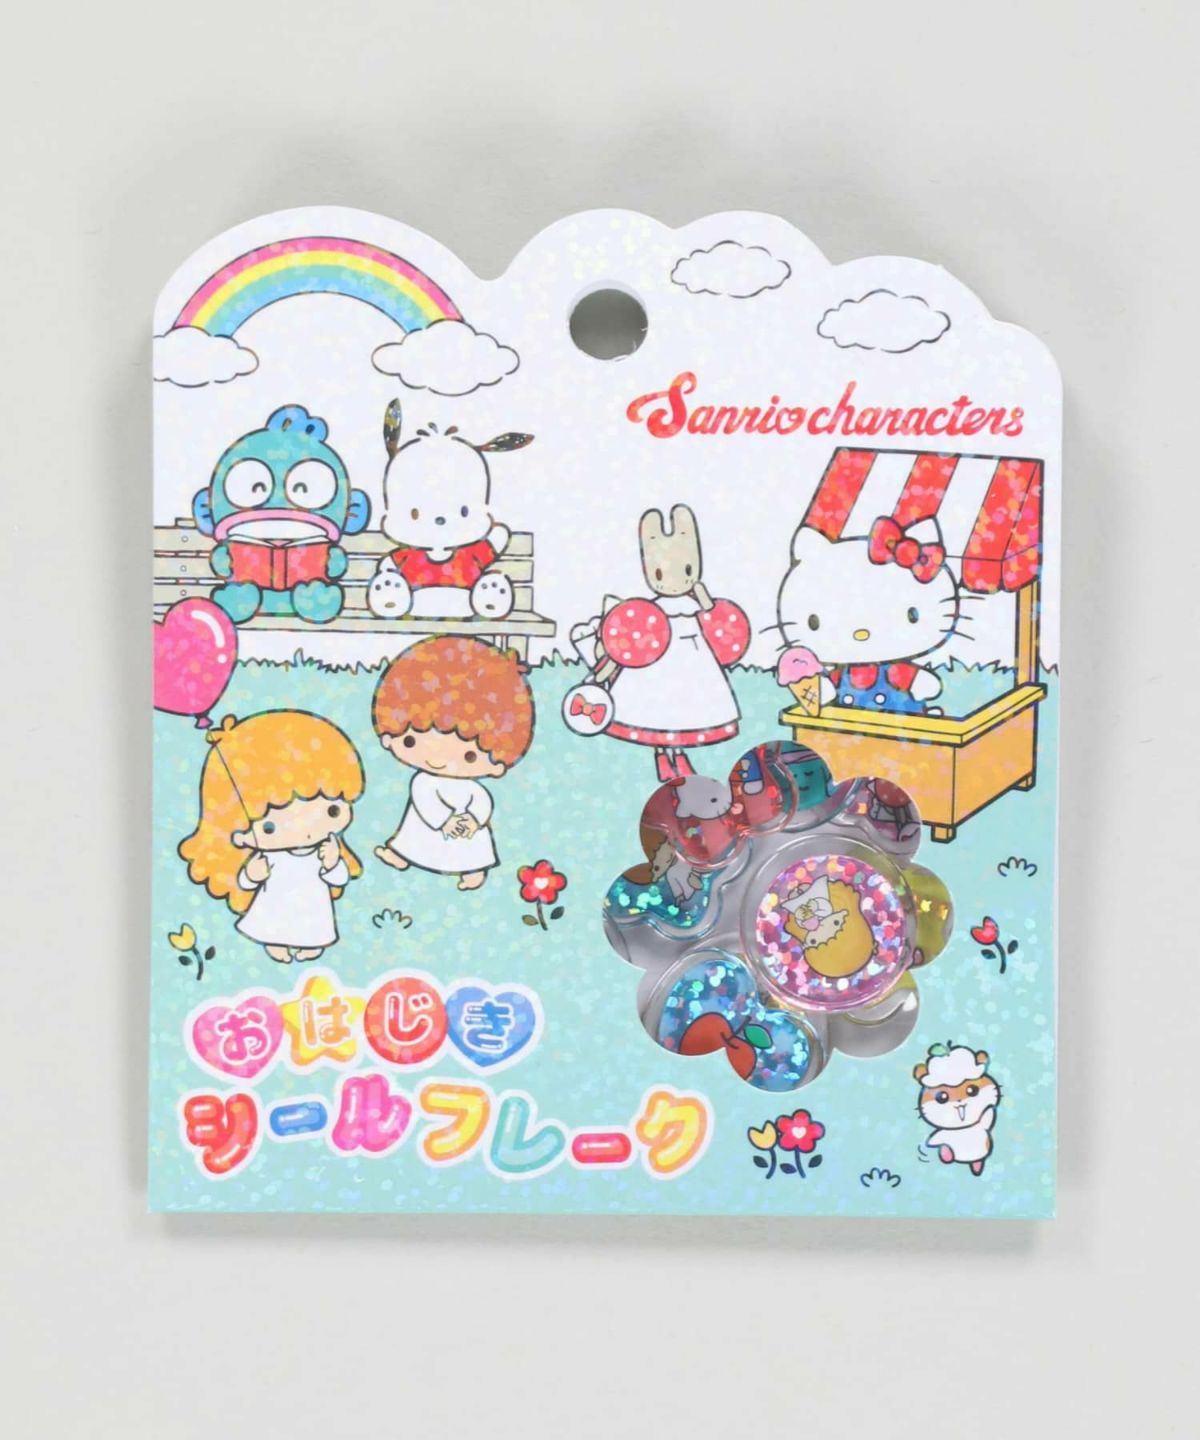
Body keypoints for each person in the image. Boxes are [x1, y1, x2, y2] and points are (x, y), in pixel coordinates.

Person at [372, 637, 534, 890]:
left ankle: (474, 870)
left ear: (498, 763)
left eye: (470, 755)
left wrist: (474, 820)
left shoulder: (471, 787)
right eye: (412, 740)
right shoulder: (423, 781)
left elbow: (482, 801)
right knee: (413, 836)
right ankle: (400, 855)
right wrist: (443, 821)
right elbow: (425, 801)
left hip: (464, 826)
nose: (437, 759)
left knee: (475, 847)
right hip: (434, 824)